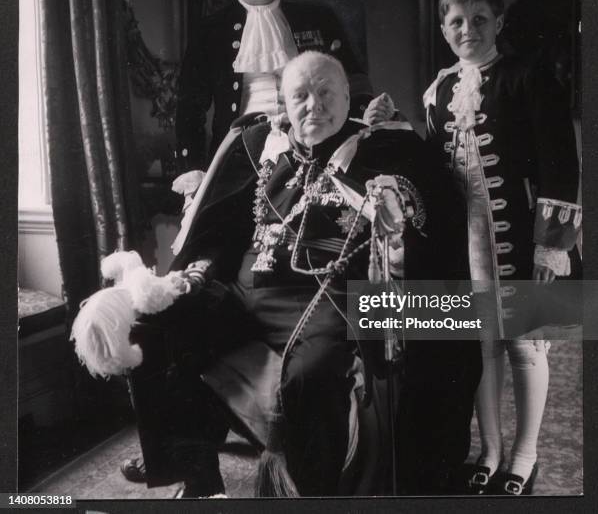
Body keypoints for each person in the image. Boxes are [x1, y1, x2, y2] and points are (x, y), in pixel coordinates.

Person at [126, 51, 481, 497]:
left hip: (325, 302)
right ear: (283, 102)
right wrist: (197, 273)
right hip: (244, 290)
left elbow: (418, 210)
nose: (313, 105)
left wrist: (395, 207)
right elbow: (221, 229)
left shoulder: (381, 147)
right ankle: (199, 478)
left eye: (325, 92)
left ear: (348, 97)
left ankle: (311, 495)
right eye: (300, 96)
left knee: (311, 378)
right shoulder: (261, 148)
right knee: (151, 328)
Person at [367, 0, 581, 495]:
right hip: (460, 241)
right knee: (481, 347)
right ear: (443, 29)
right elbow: (433, 164)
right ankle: (489, 449)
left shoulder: (529, 78)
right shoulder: (440, 89)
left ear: (499, 23)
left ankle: (524, 456)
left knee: (525, 347)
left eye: (480, 19)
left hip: (520, 236)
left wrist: (551, 245)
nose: (468, 30)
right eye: (457, 21)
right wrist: (393, 124)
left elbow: (559, 163)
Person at [175, 0, 373, 171]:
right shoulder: (210, 31)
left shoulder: (319, 18)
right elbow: (189, 111)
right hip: (240, 163)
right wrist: (193, 170)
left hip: (317, 154)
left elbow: (354, 84)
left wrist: (366, 121)